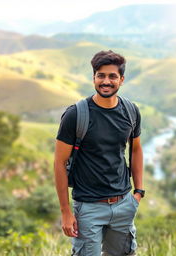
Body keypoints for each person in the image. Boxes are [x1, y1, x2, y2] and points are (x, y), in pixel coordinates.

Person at [54, 50, 144, 256]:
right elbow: (59, 163)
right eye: (100, 75)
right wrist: (66, 212)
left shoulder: (131, 111)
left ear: (121, 79)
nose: (106, 81)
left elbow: (136, 149)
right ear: (93, 77)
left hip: (123, 205)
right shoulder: (76, 115)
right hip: (88, 208)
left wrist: (138, 193)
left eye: (112, 76)